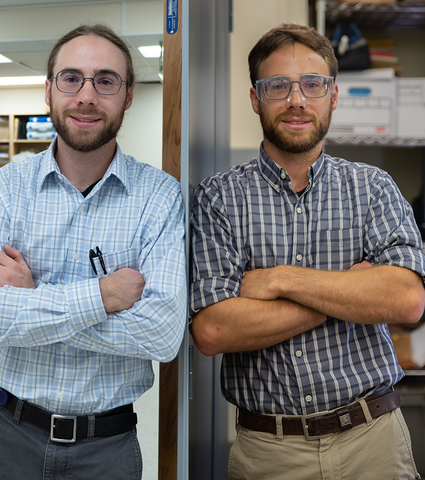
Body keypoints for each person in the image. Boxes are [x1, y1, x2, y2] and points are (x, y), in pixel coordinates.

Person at [0, 23, 186, 480]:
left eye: (105, 80)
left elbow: (161, 333)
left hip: (106, 450)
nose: (86, 96)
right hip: (0, 437)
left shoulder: (159, 197)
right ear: (49, 90)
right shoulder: (4, 190)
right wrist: (102, 296)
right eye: (71, 78)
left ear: (128, 94)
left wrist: (29, 293)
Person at [190, 23, 425, 480]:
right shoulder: (218, 198)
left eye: (313, 85)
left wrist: (280, 280)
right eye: (278, 85)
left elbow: (406, 300)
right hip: (267, 452)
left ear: (332, 96)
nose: (297, 99)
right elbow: (214, 328)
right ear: (256, 99)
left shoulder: (372, 188)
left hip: (372, 440)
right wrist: (350, 293)